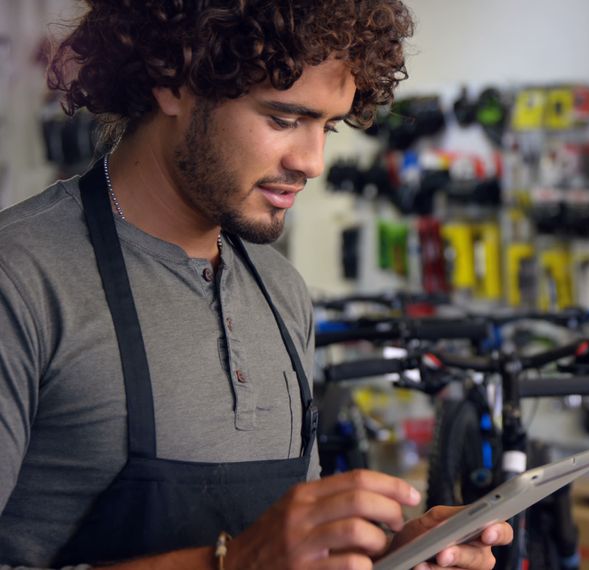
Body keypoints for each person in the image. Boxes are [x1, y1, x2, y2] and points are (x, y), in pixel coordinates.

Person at [0, 1, 512, 568]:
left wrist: (387, 556)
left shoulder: (281, 291)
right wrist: (233, 563)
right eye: (284, 119)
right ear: (173, 82)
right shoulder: (21, 277)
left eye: (329, 125)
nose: (313, 161)